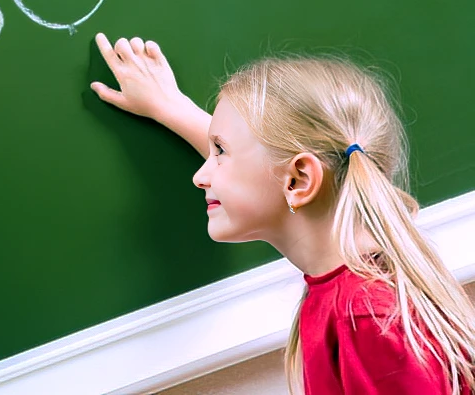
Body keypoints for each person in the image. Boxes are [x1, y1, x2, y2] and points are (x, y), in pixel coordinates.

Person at [91, 34, 475, 395]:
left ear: (299, 180)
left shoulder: (366, 321)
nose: (200, 176)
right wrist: (170, 107)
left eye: (219, 151)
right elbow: (265, 167)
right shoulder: (356, 285)